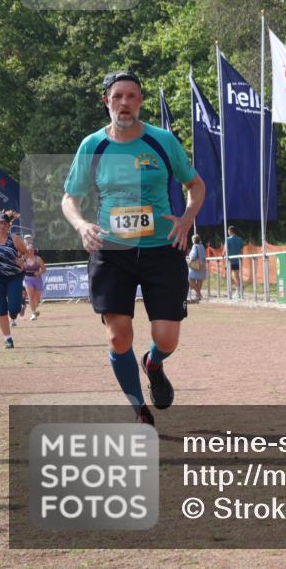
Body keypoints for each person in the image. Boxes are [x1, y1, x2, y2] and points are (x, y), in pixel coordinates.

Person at [62, 70, 205, 425]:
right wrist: (81, 226)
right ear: (106, 101)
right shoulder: (93, 145)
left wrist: (187, 220)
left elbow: (196, 185)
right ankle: (139, 410)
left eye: (131, 96)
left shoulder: (162, 141)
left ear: (139, 101)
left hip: (162, 248)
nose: (124, 103)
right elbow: (70, 198)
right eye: (117, 97)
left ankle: (154, 362)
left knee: (167, 338)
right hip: (111, 252)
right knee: (118, 335)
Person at [0, 210, 30, 348]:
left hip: (14, 277)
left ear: (8, 226)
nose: (2, 225)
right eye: (0, 222)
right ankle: (8, 339)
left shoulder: (14, 239)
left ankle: (15, 312)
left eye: (5, 223)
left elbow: (26, 252)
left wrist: (22, 259)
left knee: (13, 309)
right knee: (1, 309)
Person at [21, 236, 46, 320]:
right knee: (31, 297)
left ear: (34, 251)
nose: (30, 252)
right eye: (28, 250)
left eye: (31, 250)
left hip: (37, 280)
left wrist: (39, 272)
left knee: (37, 298)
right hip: (28, 279)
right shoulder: (24, 259)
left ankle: (34, 308)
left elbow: (44, 270)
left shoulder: (38, 259)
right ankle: (33, 313)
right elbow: (20, 268)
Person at [187, 234, 207, 302]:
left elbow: (193, 256)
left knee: (190, 279)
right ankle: (198, 295)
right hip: (202, 264)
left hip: (195, 265)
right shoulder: (202, 246)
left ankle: (198, 294)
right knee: (199, 280)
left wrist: (189, 259)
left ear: (193, 240)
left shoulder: (194, 246)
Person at [226, 225, 244, 298]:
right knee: (236, 275)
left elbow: (225, 250)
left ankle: (236, 289)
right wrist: (241, 259)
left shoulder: (227, 239)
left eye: (228, 231)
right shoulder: (239, 239)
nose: (228, 233)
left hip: (230, 260)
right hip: (238, 260)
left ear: (230, 231)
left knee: (229, 276)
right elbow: (242, 250)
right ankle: (238, 289)